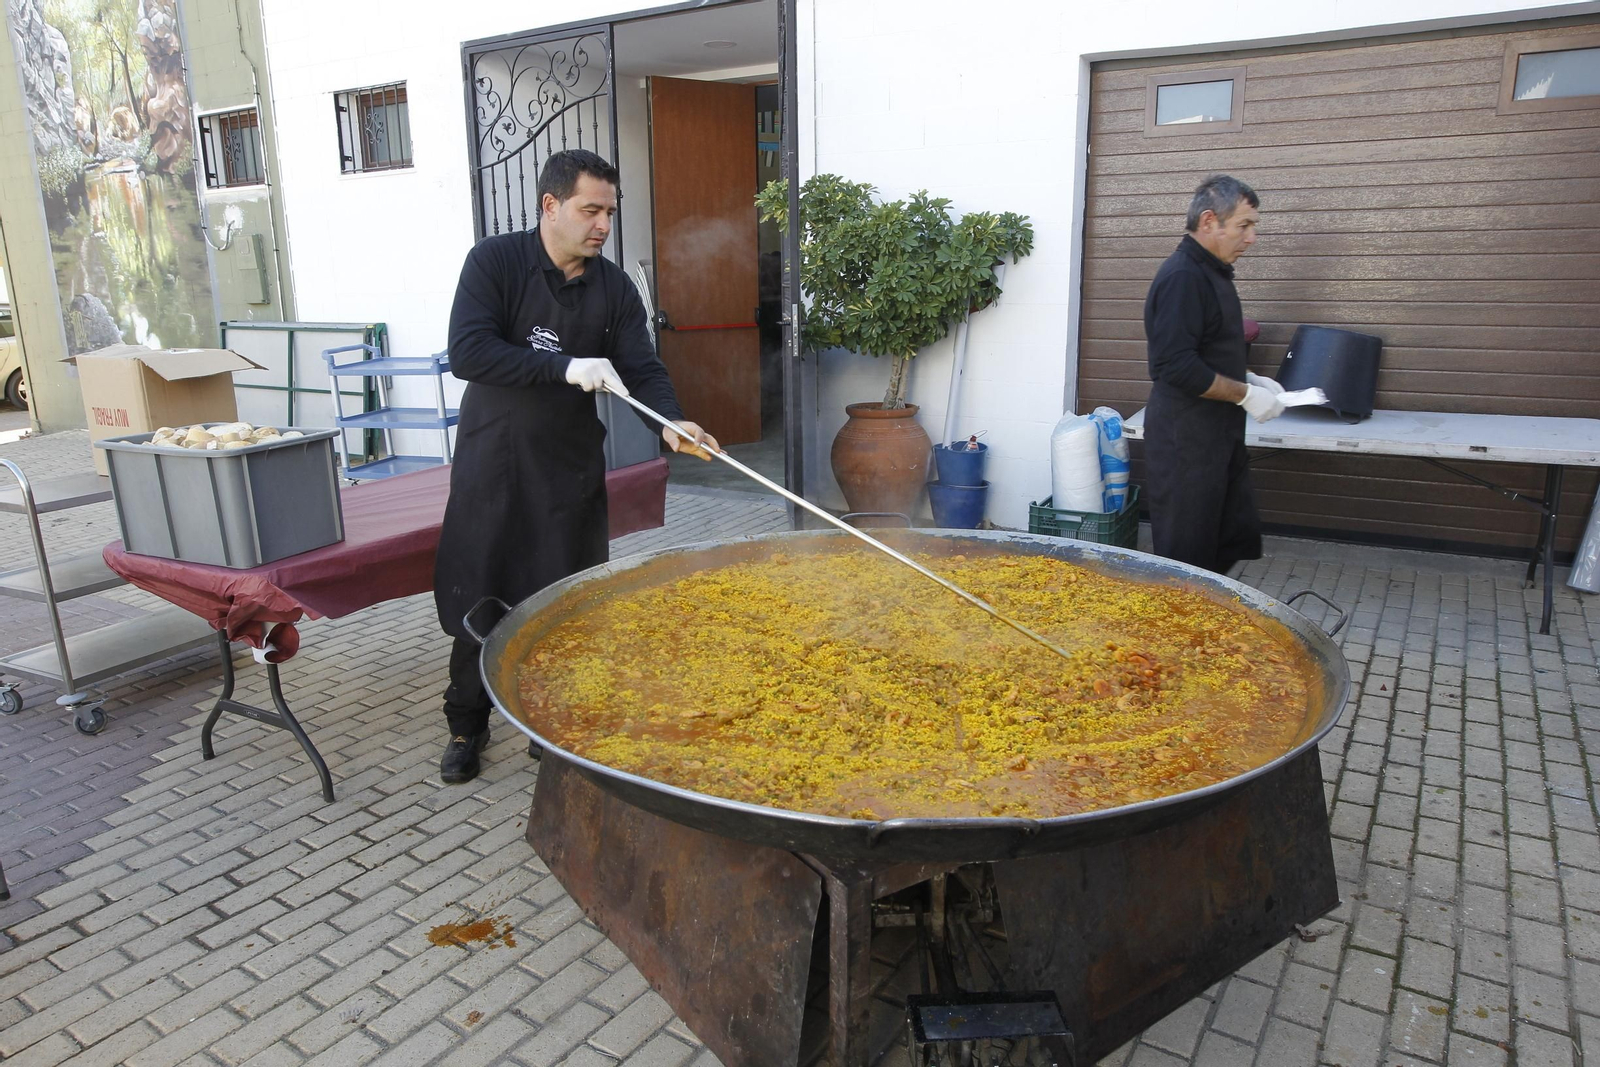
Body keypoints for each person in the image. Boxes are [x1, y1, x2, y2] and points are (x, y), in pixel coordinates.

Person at [433, 149, 717, 784]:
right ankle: (465, 726)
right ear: (550, 206)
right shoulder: (496, 264)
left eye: (610, 213)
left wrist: (670, 422)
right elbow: (469, 351)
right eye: (591, 210)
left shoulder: (611, 286)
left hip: (569, 471)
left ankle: (552, 725)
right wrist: (562, 366)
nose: (602, 225)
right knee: (483, 594)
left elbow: (641, 368)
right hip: (494, 466)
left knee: (567, 605)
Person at [1142, 174, 1285, 576]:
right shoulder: (1183, 277)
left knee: (1230, 536)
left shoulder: (1214, 273)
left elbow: (1205, 348)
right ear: (1209, 222)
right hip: (1185, 443)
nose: (1252, 237)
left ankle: (1206, 624)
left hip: (1219, 437)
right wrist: (1245, 394)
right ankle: (1175, 632)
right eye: (1244, 225)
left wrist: (1249, 377)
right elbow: (1174, 365)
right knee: (1187, 558)